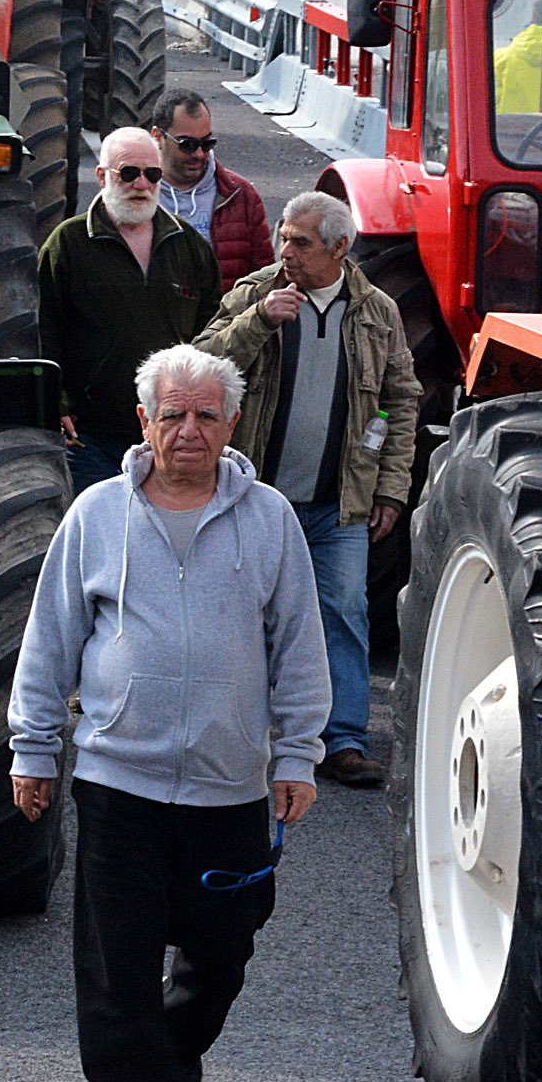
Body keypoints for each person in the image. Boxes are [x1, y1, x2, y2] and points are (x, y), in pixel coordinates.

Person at [10, 342, 326, 1082]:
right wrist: (33, 748)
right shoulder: (95, 516)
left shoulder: (269, 521)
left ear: (229, 424)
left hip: (231, 784)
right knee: (118, 950)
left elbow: (297, 646)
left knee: (224, 944)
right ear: (143, 422)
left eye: (205, 415)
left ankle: (171, 1050)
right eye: (171, 415)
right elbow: (49, 642)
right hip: (119, 775)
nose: (187, 432)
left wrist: (297, 753)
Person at [194, 189, 422, 787]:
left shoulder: (378, 312)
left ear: (340, 248)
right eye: (282, 238)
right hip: (254, 498)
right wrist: (258, 323)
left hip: (338, 505)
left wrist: (390, 487)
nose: (285, 251)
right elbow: (197, 366)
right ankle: (224, 731)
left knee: (343, 614)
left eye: (300, 242)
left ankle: (342, 740)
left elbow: (399, 402)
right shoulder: (255, 293)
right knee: (235, 613)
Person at [37, 128, 223, 496]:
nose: (141, 183)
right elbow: (43, 332)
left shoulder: (189, 247)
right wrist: (54, 404)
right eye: (128, 173)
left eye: (151, 174)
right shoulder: (68, 244)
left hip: (168, 437)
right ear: (102, 176)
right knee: (102, 541)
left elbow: (212, 335)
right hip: (90, 437)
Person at [152, 90, 272, 285]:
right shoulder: (135, 194)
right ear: (158, 136)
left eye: (207, 143)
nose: (199, 154)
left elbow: (265, 279)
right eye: (187, 145)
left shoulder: (242, 195)